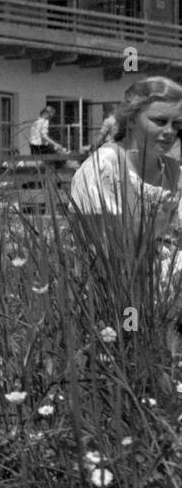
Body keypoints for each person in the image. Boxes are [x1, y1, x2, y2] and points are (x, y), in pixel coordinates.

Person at [69, 77, 182, 315]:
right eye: (160, 121)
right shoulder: (104, 167)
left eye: (177, 124)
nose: (170, 132)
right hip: (117, 294)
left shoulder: (173, 171)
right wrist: (158, 223)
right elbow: (105, 249)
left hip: (168, 290)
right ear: (131, 119)